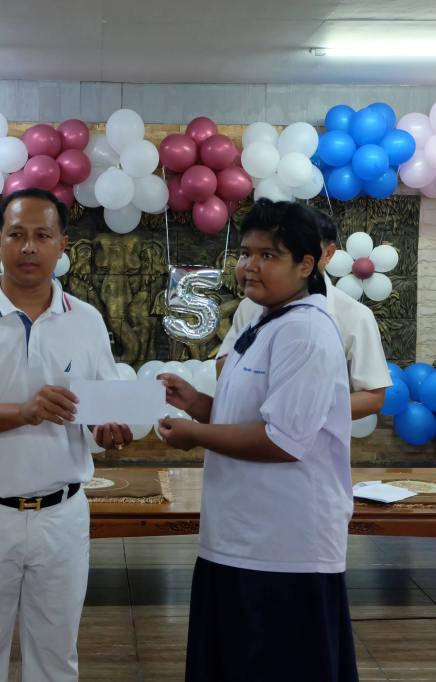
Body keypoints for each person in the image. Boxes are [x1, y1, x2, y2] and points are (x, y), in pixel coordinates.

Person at [0, 188, 132, 682]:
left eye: (43, 235)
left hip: (63, 515)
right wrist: (24, 412)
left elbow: (99, 410)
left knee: (56, 660)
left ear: (62, 245)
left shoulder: (87, 320)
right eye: (17, 235)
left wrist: (108, 430)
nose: (29, 247)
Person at [159, 199, 358, 681]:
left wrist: (196, 435)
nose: (249, 266)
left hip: (283, 546)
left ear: (306, 264)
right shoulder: (266, 321)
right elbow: (247, 416)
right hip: (238, 535)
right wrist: (196, 403)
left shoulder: (305, 331)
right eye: (246, 252)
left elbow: (282, 440)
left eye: (268, 255)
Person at [217, 209, 390, 419]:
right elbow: (224, 364)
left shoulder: (356, 316)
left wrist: (303, 410)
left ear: (328, 254)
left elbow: (373, 397)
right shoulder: (250, 306)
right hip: (244, 430)